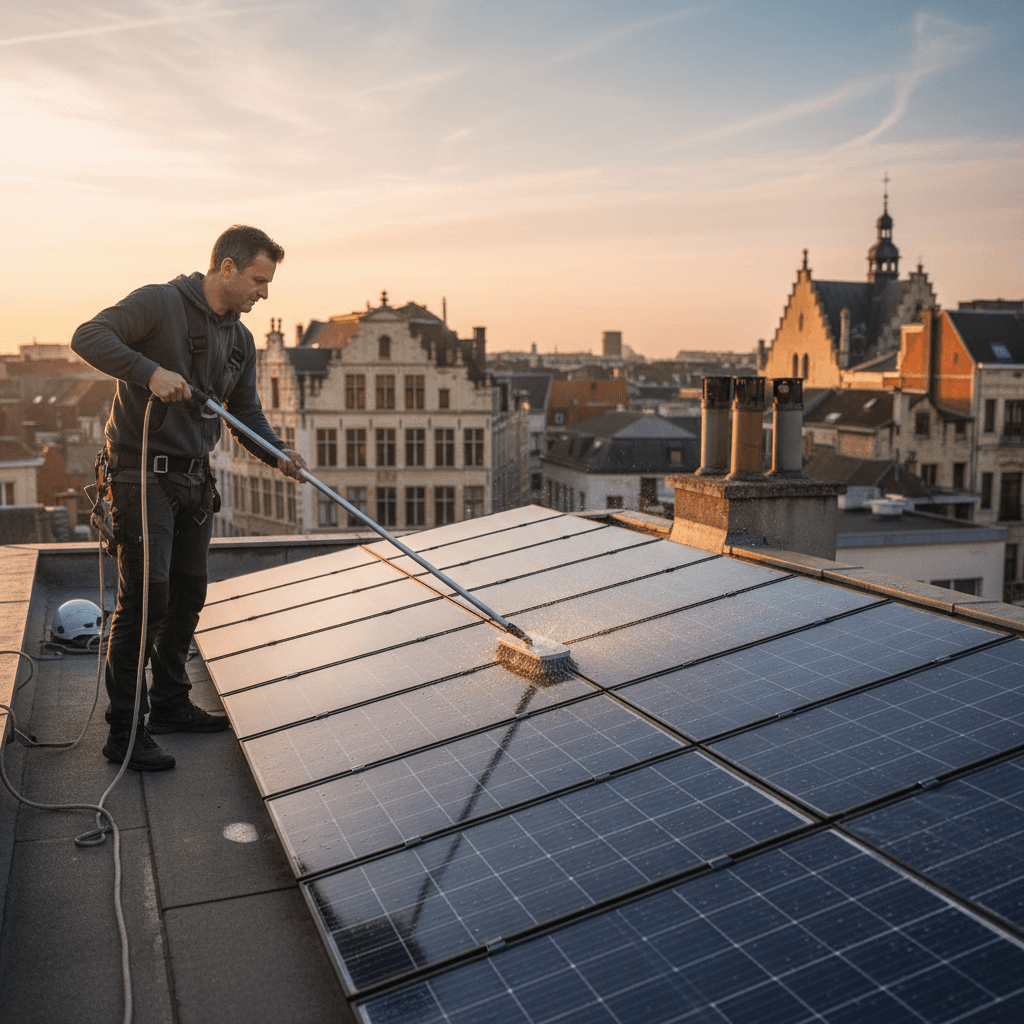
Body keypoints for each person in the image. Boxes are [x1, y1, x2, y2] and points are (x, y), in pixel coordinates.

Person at [71, 225, 307, 771]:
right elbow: (88, 336)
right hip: (141, 475)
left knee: (189, 592)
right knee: (146, 601)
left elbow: (244, 413)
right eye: (258, 280)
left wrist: (277, 454)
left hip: (195, 481)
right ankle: (124, 732)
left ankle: (172, 703)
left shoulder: (240, 340)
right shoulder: (159, 303)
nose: (264, 294)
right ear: (226, 267)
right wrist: (150, 372)